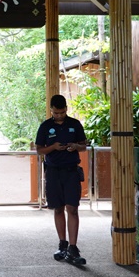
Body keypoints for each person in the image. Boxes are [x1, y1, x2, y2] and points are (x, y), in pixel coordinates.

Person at [35, 94, 88, 265]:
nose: (59, 116)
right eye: (56, 113)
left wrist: (75, 147)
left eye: (62, 112)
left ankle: (73, 247)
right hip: (53, 172)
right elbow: (39, 150)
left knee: (72, 209)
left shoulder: (75, 124)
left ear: (66, 109)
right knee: (58, 209)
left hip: (71, 171)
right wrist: (54, 147)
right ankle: (62, 244)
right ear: (51, 110)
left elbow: (84, 146)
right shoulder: (45, 126)